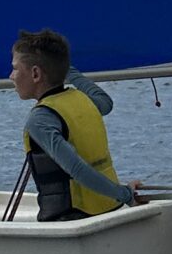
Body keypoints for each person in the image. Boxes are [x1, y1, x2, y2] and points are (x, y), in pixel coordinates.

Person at [9, 27, 140, 221]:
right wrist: (63, 69)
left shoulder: (40, 119)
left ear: (35, 74)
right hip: (109, 208)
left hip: (71, 219)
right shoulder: (83, 99)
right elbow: (105, 102)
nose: (11, 76)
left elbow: (77, 169)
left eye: (15, 68)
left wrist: (126, 195)